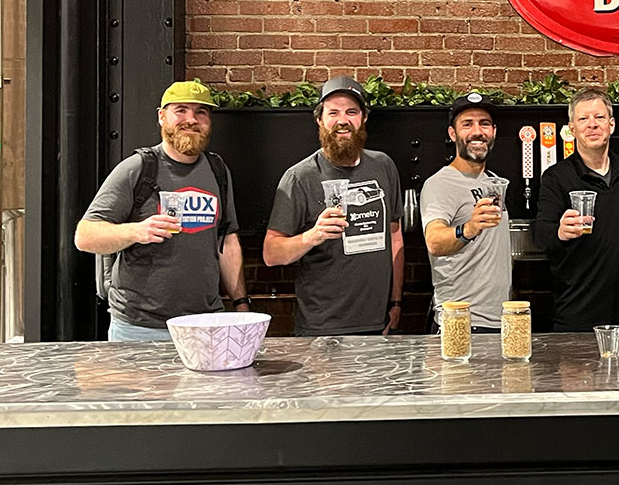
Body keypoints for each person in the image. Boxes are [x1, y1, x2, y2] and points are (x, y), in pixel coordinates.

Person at [75, 80, 249, 342]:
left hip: (205, 323)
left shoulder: (218, 171)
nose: (191, 119)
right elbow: (85, 236)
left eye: (200, 112)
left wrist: (241, 305)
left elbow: (227, 240)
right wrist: (136, 230)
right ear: (162, 116)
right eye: (181, 110)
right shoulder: (138, 168)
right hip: (140, 328)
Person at [262, 76, 404, 336]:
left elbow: (394, 236)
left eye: (352, 112)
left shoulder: (383, 166)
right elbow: (271, 253)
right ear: (319, 120)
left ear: (363, 118)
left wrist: (395, 303)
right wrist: (312, 236)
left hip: (378, 324)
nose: (343, 120)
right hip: (322, 329)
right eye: (333, 112)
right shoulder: (299, 177)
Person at [531, 89, 619, 331]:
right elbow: (540, 233)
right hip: (576, 313)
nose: (592, 125)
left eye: (598, 118)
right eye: (583, 119)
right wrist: (561, 231)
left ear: (612, 125)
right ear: (572, 129)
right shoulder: (557, 177)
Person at [420, 93, 512, 333]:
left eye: (484, 124)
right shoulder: (440, 183)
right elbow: (434, 242)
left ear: (493, 132)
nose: (477, 131)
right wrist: (469, 229)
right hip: (461, 322)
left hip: (498, 320)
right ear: (453, 134)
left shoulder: (493, 182)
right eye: (467, 124)